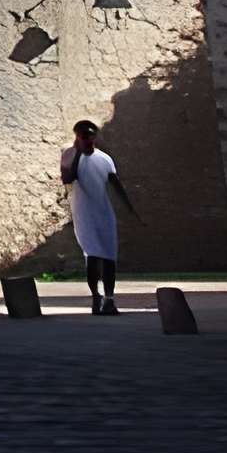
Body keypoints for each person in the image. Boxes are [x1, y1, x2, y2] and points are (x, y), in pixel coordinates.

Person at [61, 120, 138, 313]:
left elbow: (116, 184)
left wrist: (131, 210)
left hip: (104, 213)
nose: (86, 139)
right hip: (83, 214)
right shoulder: (69, 155)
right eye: (82, 135)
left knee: (110, 256)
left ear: (94, 136)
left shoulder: (104, 159)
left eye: (89, 135)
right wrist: (78, 153)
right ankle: (95, 297)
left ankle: (109, 299)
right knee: (93, 255)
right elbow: (68, 178)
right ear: (77, 136)